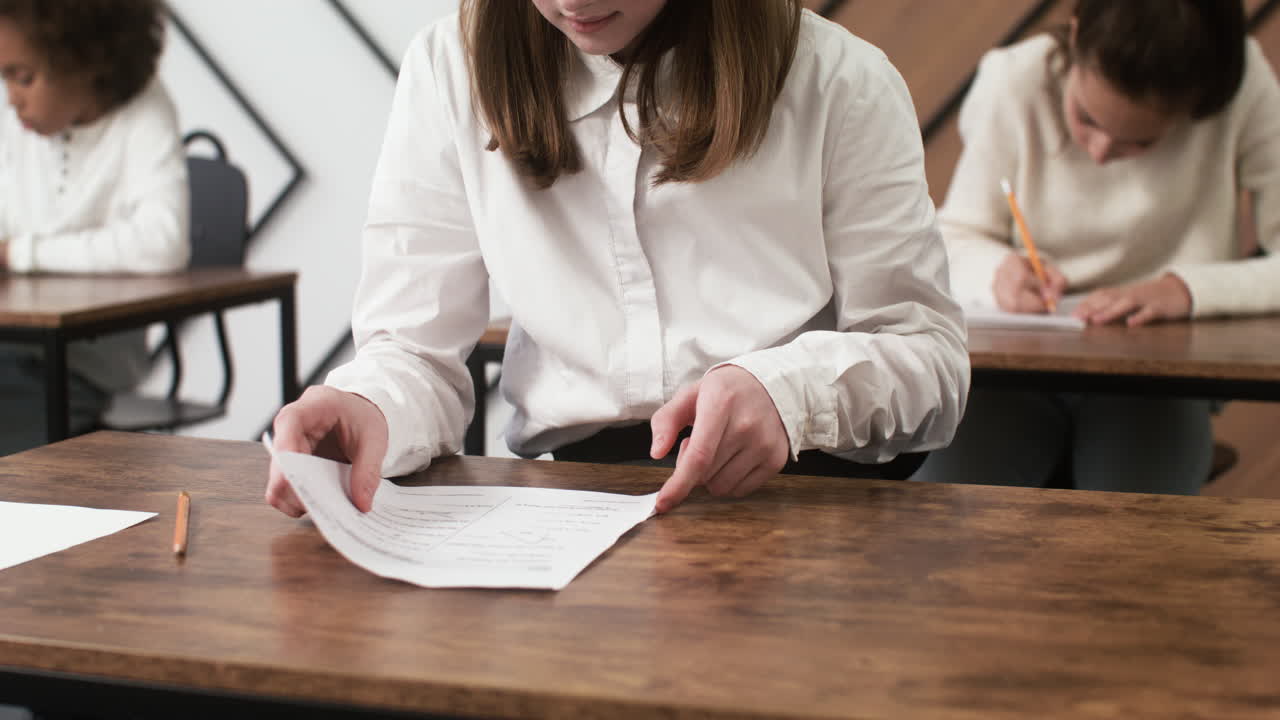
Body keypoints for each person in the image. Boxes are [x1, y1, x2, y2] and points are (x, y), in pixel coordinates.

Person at [266, 0, 968, 517]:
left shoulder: (838, 80)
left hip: (811, 504)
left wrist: (789, 395)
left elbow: (928, 358)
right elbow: (414, 355)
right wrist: (368, 406)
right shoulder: (449, 67)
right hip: (574, 508)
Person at [914, 0, 1280, 494]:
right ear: (1076, 33)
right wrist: (998, 269)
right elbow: (955, 237)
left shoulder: (1241, 87)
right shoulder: (1015, 80)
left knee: (1135, 531)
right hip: (1012, 373)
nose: (1101, 152)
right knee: (947, 520)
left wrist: (1186, 290)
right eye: (1085, 117)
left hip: (1161, 380)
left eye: (1140, 144)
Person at [0, 0, 189, 455]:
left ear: (86, 62)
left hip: (78, 365)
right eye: (4, 76)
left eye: (24, 77)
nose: (12, 98)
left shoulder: (142, 112)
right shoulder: (17, 124)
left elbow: (163, 242)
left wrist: (19, 254)